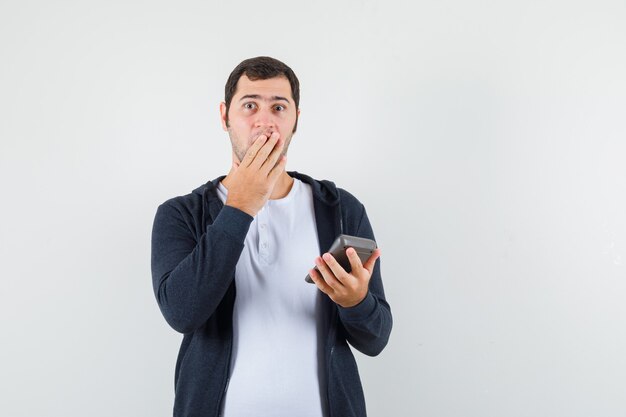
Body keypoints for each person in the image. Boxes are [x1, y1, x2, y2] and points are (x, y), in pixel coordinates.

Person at [151, 56, 392, 417]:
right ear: (224, 116)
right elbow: (182, 313)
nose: (264, 121)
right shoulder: (181, 213)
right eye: (250, 105)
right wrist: (240, 207)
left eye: (279, 107)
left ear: (296, 119)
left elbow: (376, 339)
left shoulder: (340, 208)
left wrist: (356, 301)